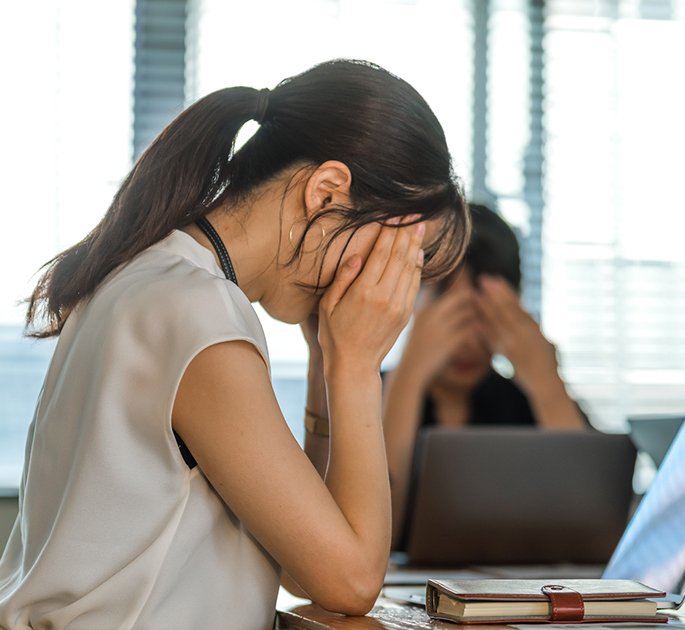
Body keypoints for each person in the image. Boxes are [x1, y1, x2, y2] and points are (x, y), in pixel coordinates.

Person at [0, 59, 470, 628]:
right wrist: (358, 367)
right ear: (326, 193)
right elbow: (349, 581)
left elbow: (301, 564)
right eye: (392, 256)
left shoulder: (158, 280)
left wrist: (326, 360)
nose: (388, 290)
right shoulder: (195, 312)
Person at [381, 203, 588, 547]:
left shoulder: (528, 401)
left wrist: (548, 386)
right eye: (455, 315)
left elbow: (595, 525)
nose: (470, 339)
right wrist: (410, 375)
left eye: (486, 314)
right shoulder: (363, 391)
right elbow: (376, 536)